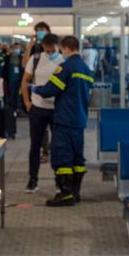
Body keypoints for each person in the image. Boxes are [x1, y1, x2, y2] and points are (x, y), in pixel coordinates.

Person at [32, 35, 93, 206]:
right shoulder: (87, 70)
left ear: (65, 48)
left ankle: (65, 194)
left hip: (64, 118)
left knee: (62, 155)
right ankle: (75, 192)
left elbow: (52, 89)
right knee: (77, 157)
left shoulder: (65, 67)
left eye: (61, 49)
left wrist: (36, 88)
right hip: (79, 119)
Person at [21, 33, 62, 193]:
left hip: (57, 109)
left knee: (58, 146)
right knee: (35, 145)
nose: (51, 53)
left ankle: (59, 180)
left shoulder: (64, 60)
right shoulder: (36, 59)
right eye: (48, 50)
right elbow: (25, 80)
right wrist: (26, 102)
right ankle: (33, 179)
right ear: (43, 47)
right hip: (37, 107)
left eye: (53, 50)